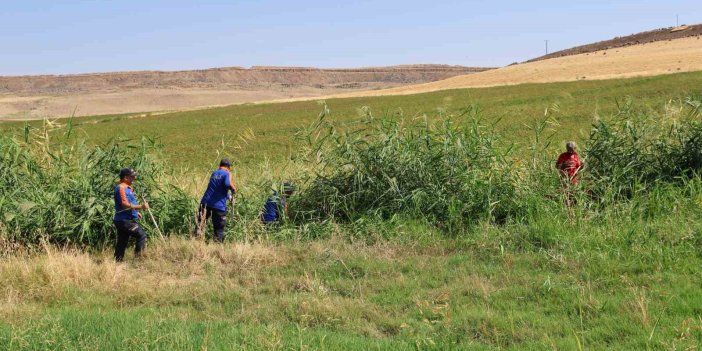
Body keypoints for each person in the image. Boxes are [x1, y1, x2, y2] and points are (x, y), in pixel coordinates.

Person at [195, 158, 237, 242]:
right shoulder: (227, 173)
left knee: (200, 225)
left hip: (205, 203)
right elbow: (227, 184)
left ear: (220, 165)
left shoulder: (214, 173)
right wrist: (233, 189)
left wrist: (229, 196)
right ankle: (217, 248)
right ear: (228, 167)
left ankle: (195, 243)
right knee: (219, 229)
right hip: (218, 206)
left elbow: (217, 188)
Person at [113, 167, 149, 262]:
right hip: (124, 220)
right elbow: (124, 205)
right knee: (141, 235)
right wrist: (141, 206)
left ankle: (118, 262)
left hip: (125, 219)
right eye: (132, 176)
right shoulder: (121, 188)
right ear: (125, 177)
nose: (134, 178)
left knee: (122, 241)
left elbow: (130, 203)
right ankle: (137, 260)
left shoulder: (129, 188)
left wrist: (136, 212)